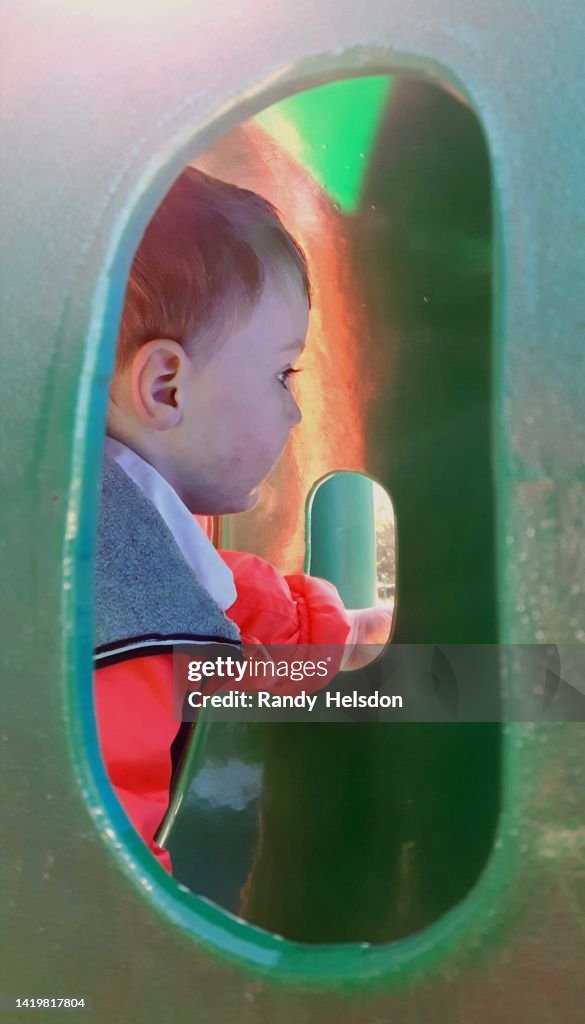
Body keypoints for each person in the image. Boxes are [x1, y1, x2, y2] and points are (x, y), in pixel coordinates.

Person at [94, 167, 391, 873]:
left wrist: (338, 634)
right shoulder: (110, 600)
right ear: (165, 387)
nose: (293, 412)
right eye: (282, 376)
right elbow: (82, 861)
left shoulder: (98, 520)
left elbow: (219, 595)